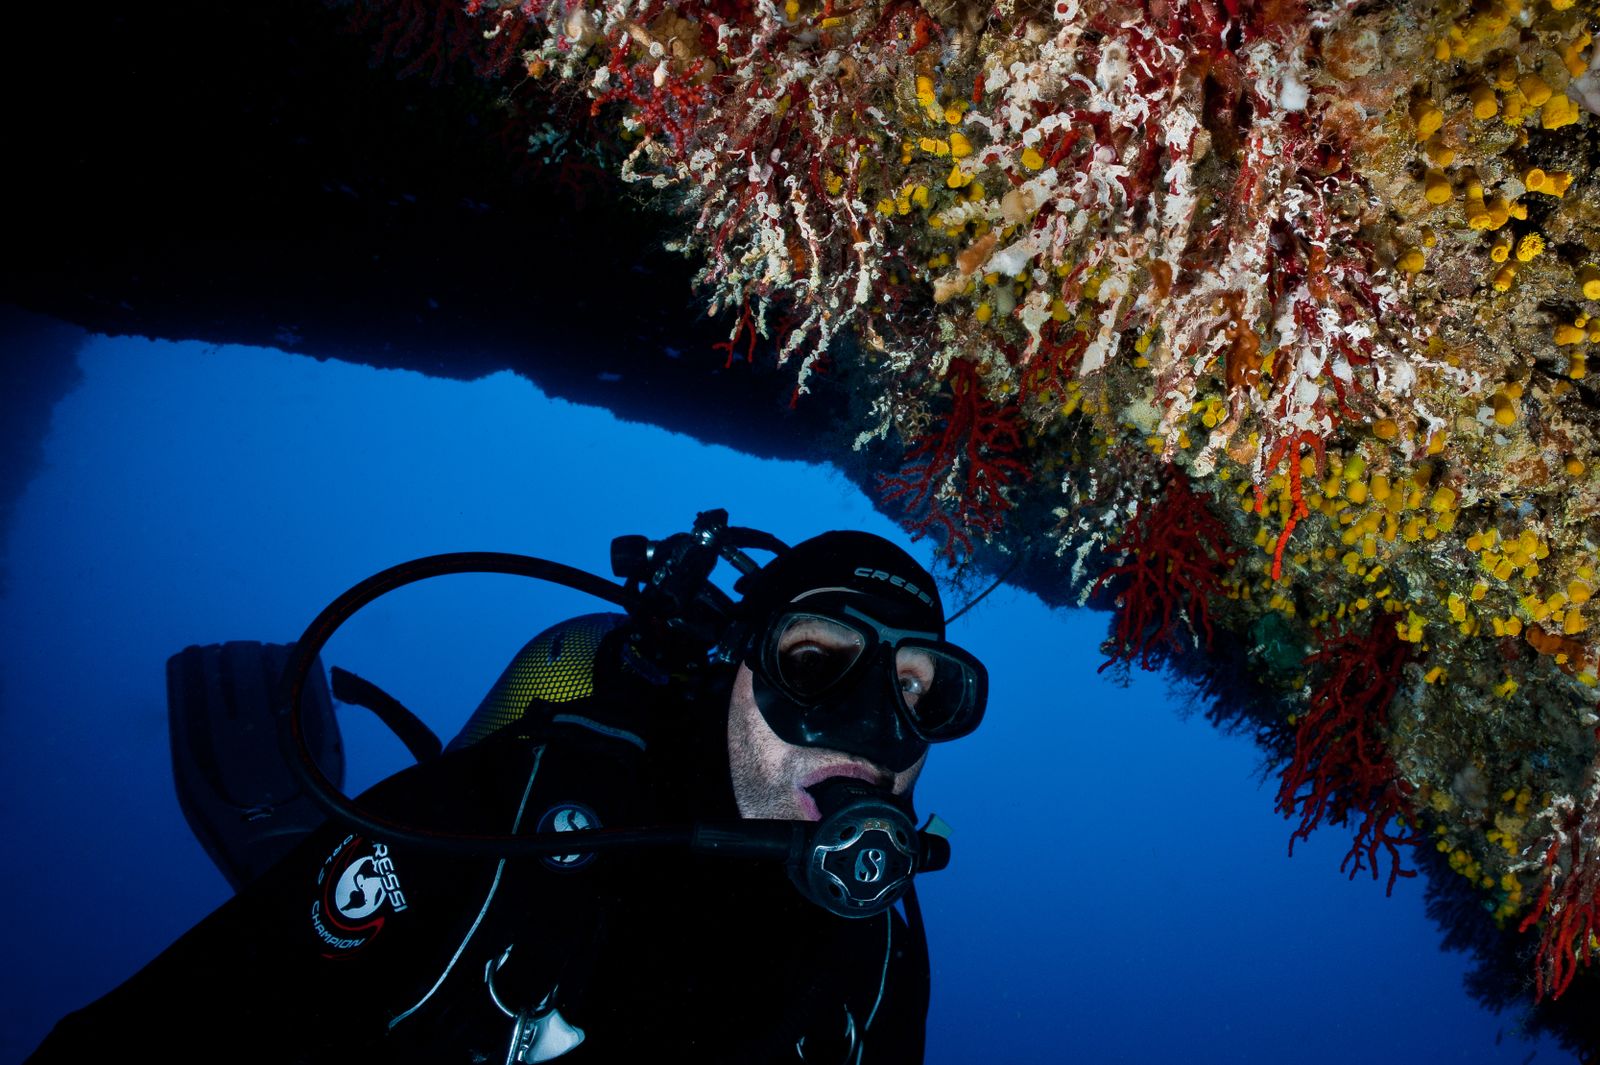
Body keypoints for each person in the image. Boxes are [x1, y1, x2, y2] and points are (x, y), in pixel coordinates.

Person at [27, 528, 986, 1063]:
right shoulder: (499, 816)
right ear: (730, 668)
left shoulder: (880, 958)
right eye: (814, 662)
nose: (880, 730)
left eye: (922, 690)